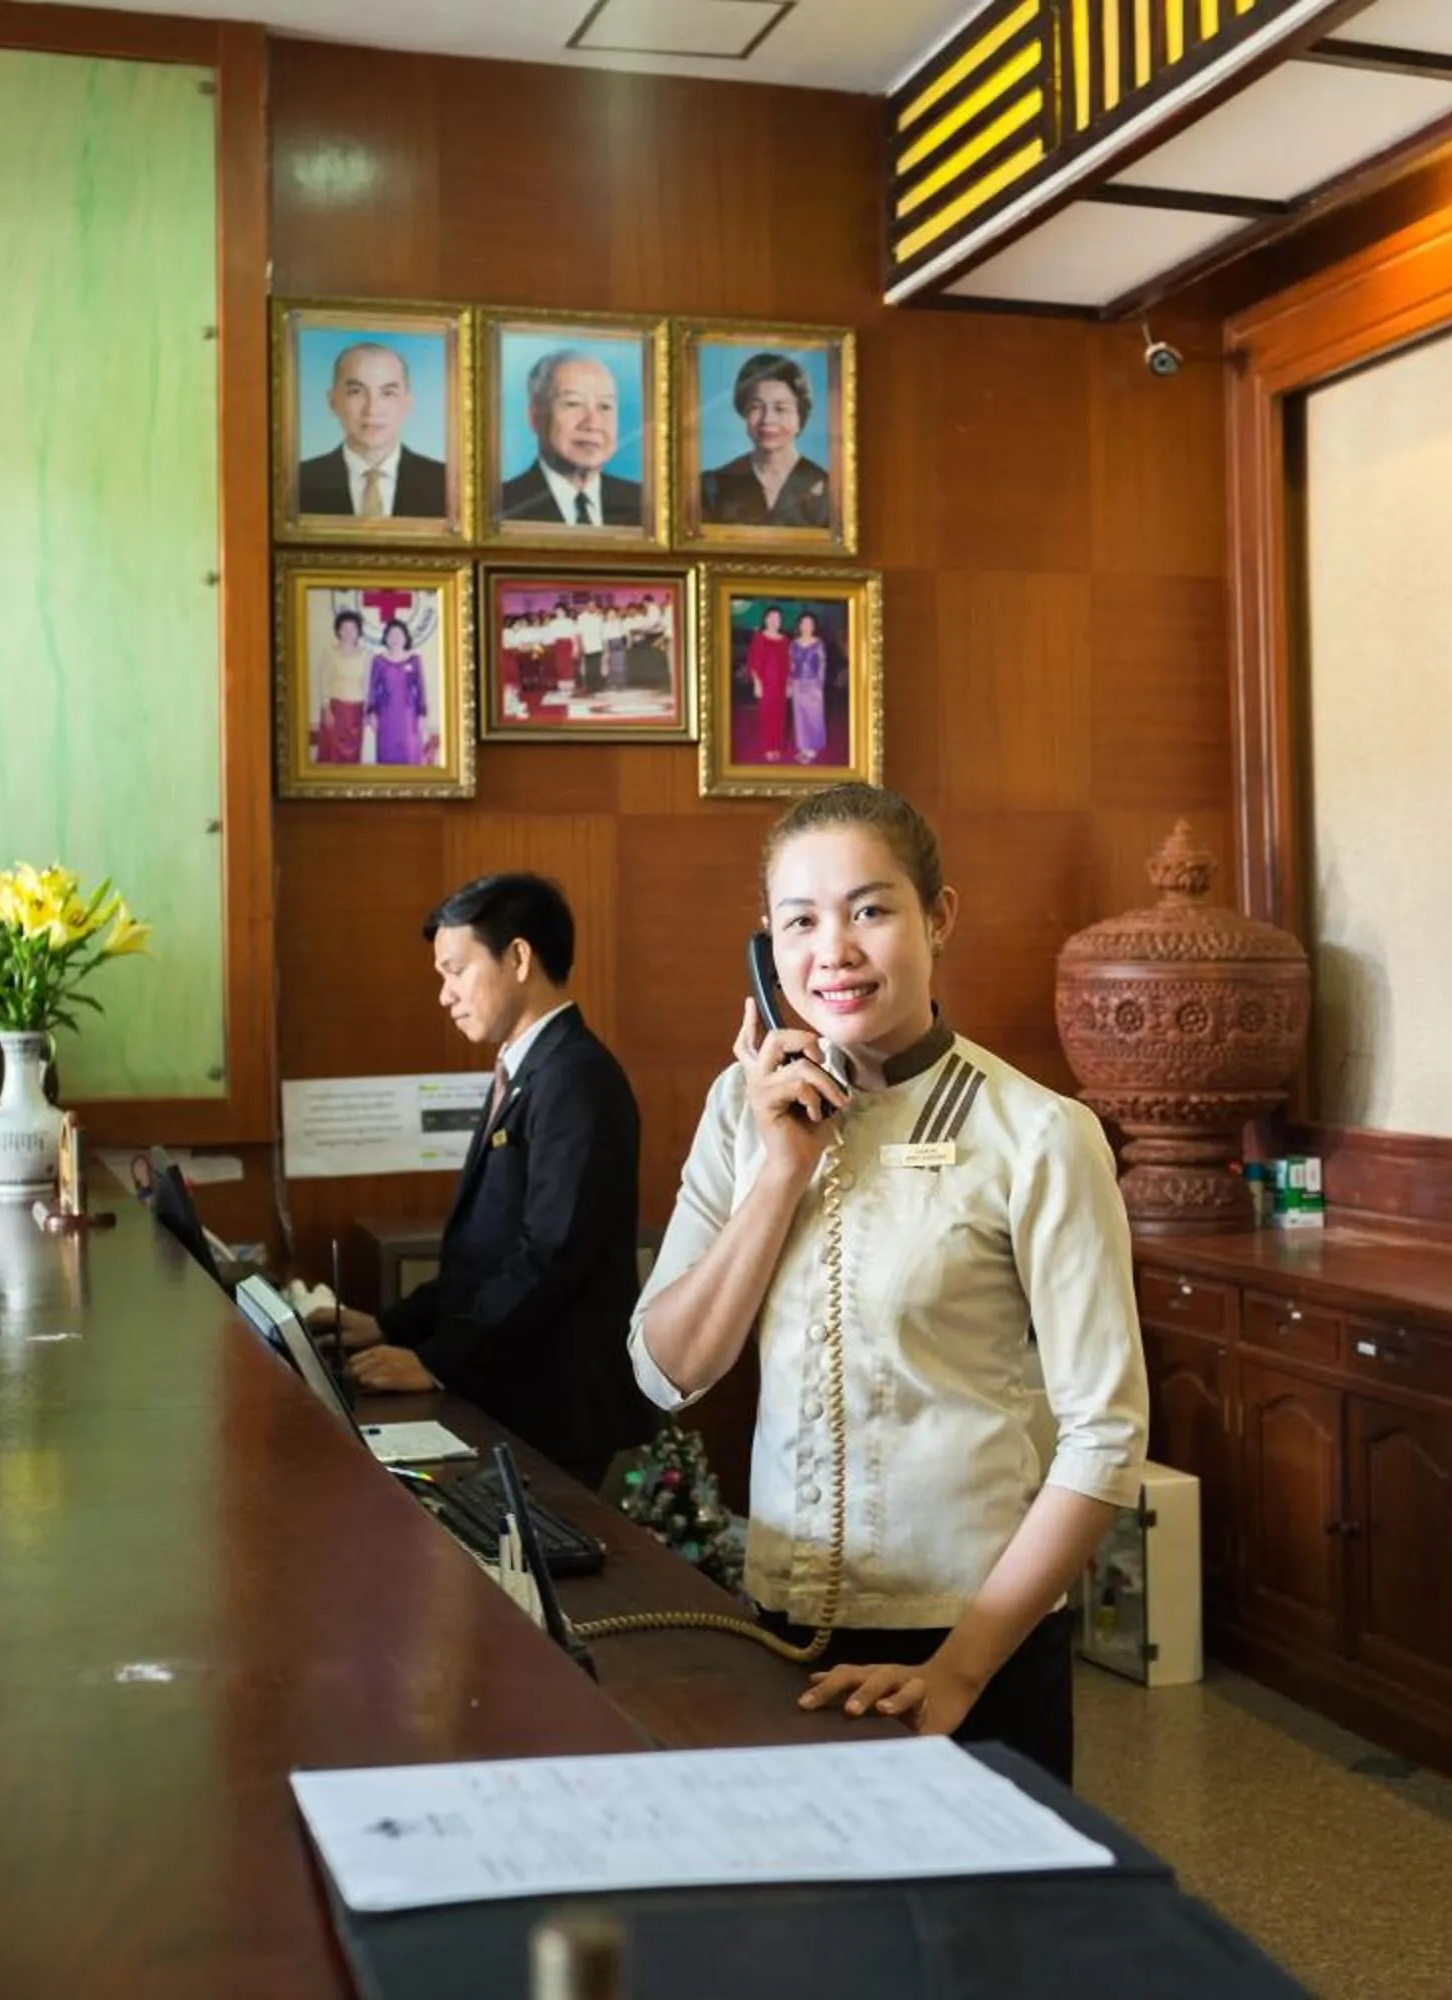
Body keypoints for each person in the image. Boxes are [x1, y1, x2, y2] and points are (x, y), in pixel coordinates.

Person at [626, 784, 1148, 1784]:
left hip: (971, 1642)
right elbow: (667, 1371)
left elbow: (1108, 1431)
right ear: (766, 947)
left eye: (871, 909)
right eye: (801, 921)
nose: (836, 950)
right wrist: (777, 1170)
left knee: (982, 1937)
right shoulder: (740, 1115)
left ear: (937, 917)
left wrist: (958, 1671)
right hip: (780, 1630)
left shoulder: (1038, 1134)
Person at [325, 874, 653, 1489]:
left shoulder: (575, 1077)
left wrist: (436, 1361)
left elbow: (549, 1256)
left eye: (456, 970)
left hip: (556, 1406)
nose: (445, 995)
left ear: (520, 957)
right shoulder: (524, 1066)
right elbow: (484, 1252)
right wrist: (392, 1326)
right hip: (514, 1389)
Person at [294, 341, 449, 521]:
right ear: (332, 401)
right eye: (356, 392)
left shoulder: (448, 483)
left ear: (407, 403)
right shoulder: (297, 482)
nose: (372, 409)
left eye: (387, 393)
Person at [496, 349, 643, 528]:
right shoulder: (499, 507)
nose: (592, 423)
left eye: (605, 406)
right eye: (573, 403)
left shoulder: (648, 506)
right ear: (534, 416)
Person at [697, 351, 833, 529]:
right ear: (744, 412)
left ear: (800, 416)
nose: (767, 419)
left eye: (780, 408)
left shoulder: (831, 490)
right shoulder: (712, 487)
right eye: (756, 407)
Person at [364, 617, 430, 766]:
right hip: (386, 716)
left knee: (410, 753)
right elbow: (372, 689)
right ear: (385, 638)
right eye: (391, 635)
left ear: (406, 638)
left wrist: (422, 714)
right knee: (386, 752)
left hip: (409, 716)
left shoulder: (414, 660)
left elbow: (421, 689)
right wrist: (371, 713)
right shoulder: (378, 660)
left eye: (399, 634)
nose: (395, 638)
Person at [316, 606, 370, 765]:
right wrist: (327, 710)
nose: (348, 632)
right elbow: (323, 681)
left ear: (358, 631)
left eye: (352, 628)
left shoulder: (366, 654)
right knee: (331, 754)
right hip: (335, 710)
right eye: (344, 628)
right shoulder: (329, 652)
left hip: (356, 712)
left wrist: (367, 710)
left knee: (353, 756)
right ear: (338, 631)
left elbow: (366, 683)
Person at [745, 604, 791, 762]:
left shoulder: (784, 640)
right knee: (766, 716)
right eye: (771, 618)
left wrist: (789, 684)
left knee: (780, 716)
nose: (774, 621)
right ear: (765, 620)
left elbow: (788, 664)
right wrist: (757, 683)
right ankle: (768, 747)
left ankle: (777, 746)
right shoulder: (759, 637)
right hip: (766, 684)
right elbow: (753, 661)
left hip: (781, 683)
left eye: (777, 618)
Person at [787, 609, 830, 762]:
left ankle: (812, 748)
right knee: (799, 717)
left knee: (814, 716)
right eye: (804, 623)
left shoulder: (819, 643)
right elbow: (790, 665)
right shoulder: (793, 643)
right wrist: (789, 684)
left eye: (809, 623)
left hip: (813, 685)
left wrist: (820, 685)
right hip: (798, 683)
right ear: (799, 626)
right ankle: (803, 748)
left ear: (814, 626)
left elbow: (822, 665)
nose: (806, 626)